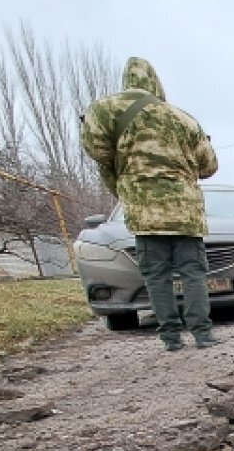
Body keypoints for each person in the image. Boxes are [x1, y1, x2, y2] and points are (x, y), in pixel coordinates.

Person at [81, 57, 219, 351]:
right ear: (156, 82)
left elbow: (97, 151)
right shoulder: (182, 118)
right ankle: (203, 334)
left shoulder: (105, 110)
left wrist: (126, 172)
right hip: (185, 212)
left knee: (157, 276)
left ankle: (170, 338)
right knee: (194, 272)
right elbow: (208, 165)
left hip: (144, 212)